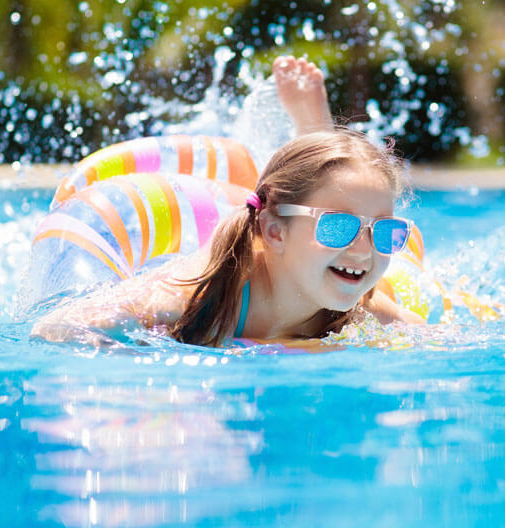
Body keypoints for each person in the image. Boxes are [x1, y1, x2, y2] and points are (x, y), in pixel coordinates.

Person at [31, 56, 424, 348]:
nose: (362, 250)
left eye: (386, 232)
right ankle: (314, 132)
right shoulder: (195, 298)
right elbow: (54, 328)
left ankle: (316, 133)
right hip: (208, 235)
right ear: (274, 231)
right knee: (321, 186)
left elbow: (437, 343)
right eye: (338, 226)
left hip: (289, 232)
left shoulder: (362, 305)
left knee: (344, 201)